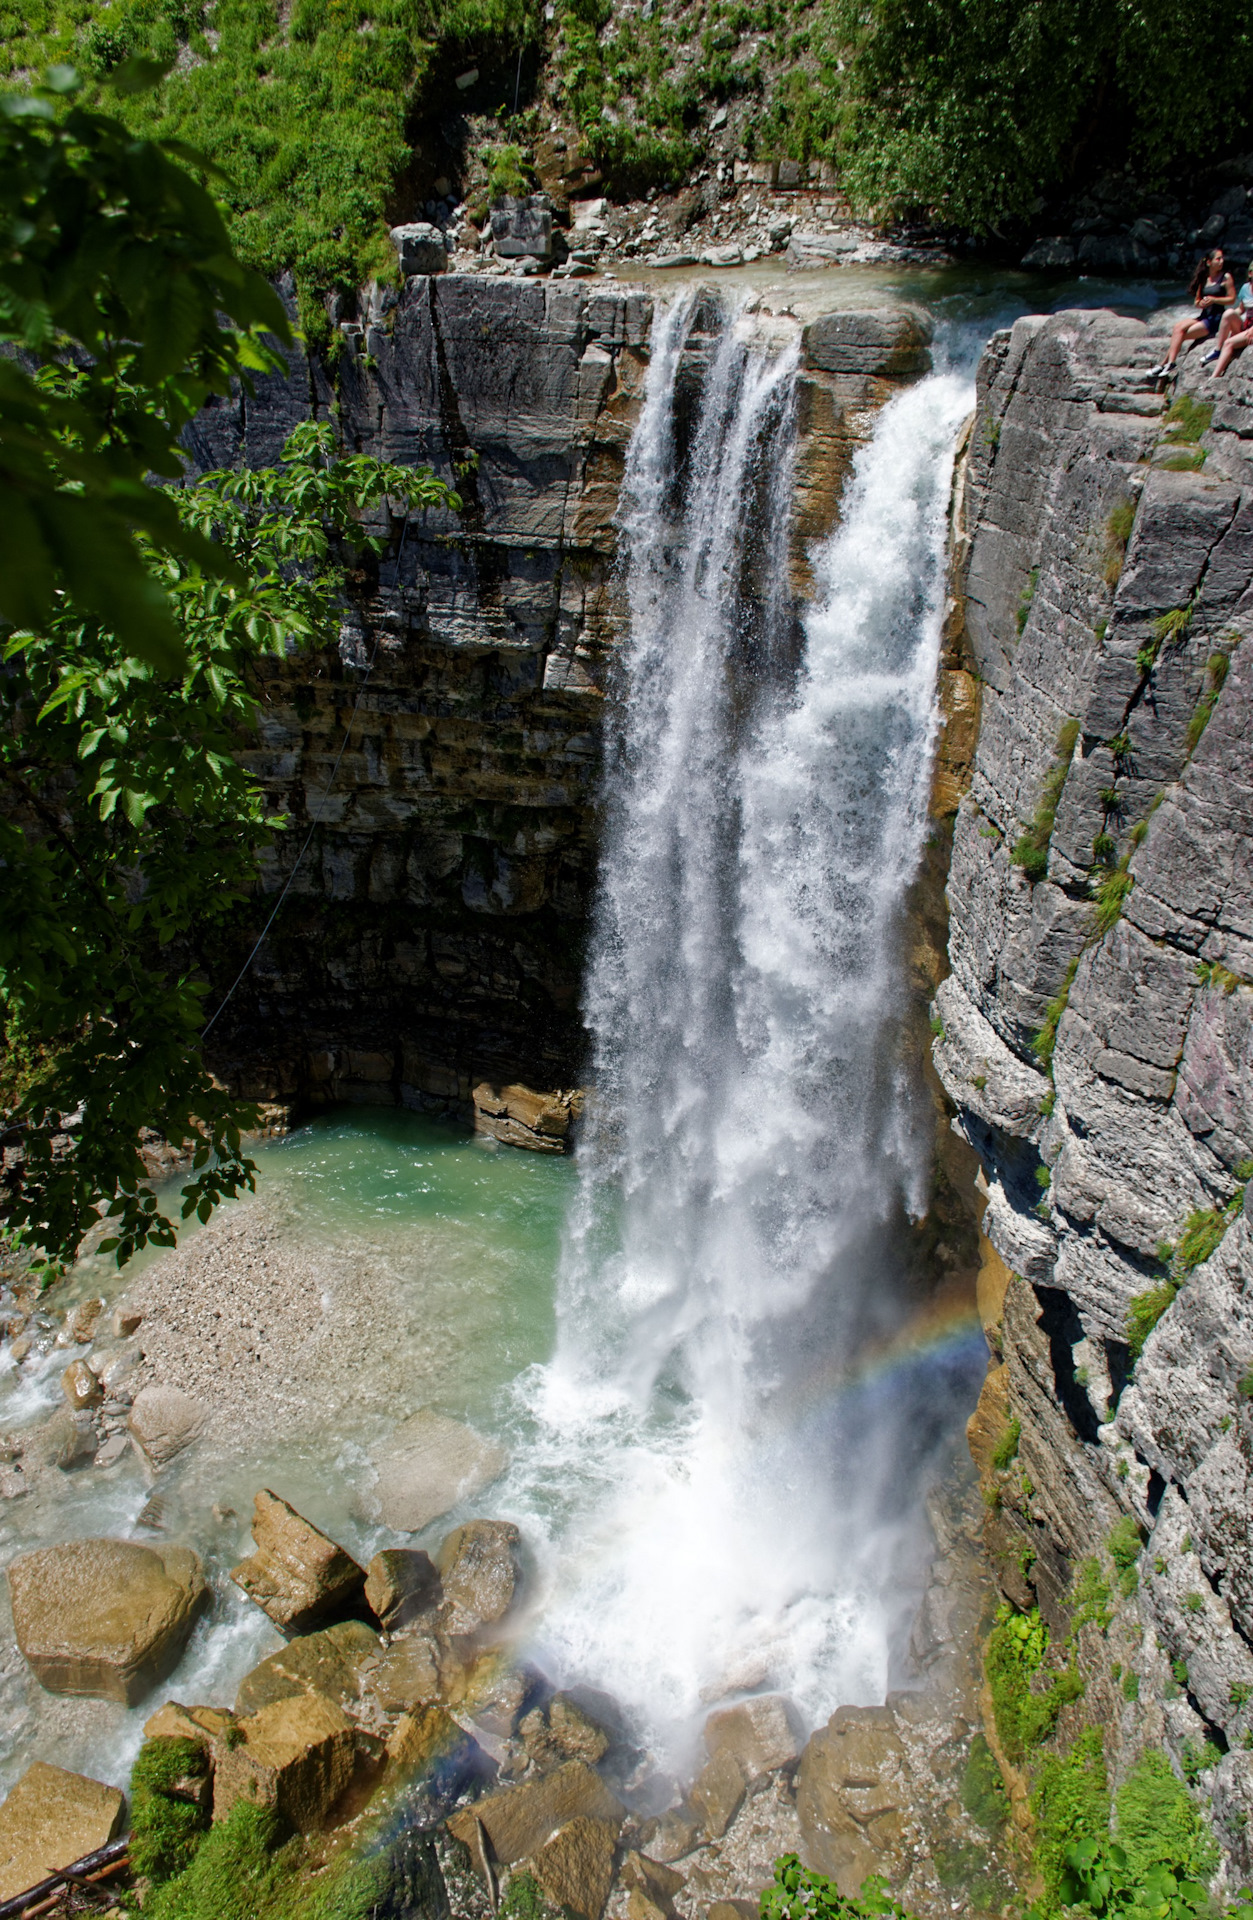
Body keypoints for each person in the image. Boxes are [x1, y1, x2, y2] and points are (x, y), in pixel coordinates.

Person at [1148, 249, 1236, 377]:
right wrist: (1201, 304)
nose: (1221, 261)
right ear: (1209, 262)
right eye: (1218, 259)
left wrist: (1214, 300)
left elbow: (1232, 299)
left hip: (1216, 319)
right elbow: (1197, 301)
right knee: (1178, 328)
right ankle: (1169, 363)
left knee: (1181, 335)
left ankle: (1164, 364)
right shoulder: (1204, 278)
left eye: (1222, 258)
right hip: (1204, 316)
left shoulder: (1226, 277)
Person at [1206, 261, 1253, 374]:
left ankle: (1214, 377)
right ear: (1250, 274)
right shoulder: (1245, 288)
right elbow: (1241, 310)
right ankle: (1218, 349)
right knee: (1228, 313)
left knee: (1229, 343)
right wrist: (1228, 318)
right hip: (1247, 325)